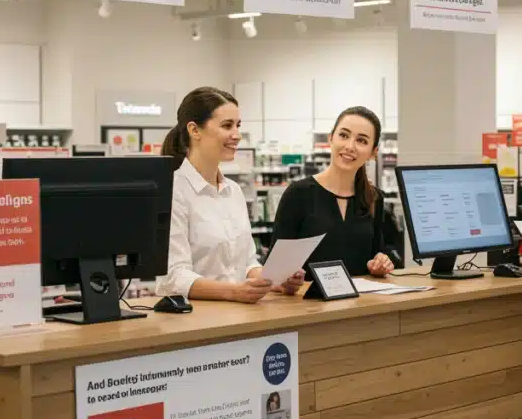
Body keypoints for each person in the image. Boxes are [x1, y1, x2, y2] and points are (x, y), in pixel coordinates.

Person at [157, 86, 304, 303]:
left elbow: (247, 262)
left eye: (238, 126)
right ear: (194, 130)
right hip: (193, 320)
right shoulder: (173, 192)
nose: (236, 135)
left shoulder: (233, 191)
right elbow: (174, 277)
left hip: (238, 316)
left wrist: (274, 280)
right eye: (227, 126)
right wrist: (233, 292)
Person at [271, 106, 395, 278]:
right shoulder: (298, 194)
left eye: (362, 140)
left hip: (361, 302)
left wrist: (380, 263)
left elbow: (376, 254)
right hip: (308, 303)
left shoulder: (374, 198)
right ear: (331, 138)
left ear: (373, 153)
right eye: (343, 135)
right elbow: (275, 269)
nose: (350, 146)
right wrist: (287, 280)